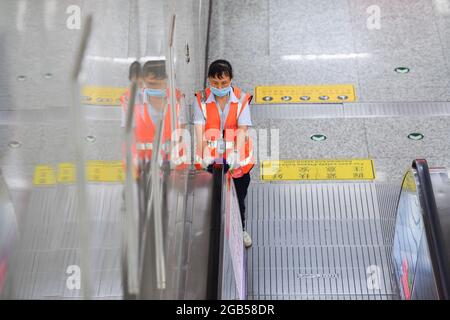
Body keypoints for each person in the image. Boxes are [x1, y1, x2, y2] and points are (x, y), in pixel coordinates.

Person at [193, 59, 254, 248]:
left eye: (224, 83)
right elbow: (198, 129)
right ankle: (209, 229)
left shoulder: (241, 99)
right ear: (209, 80)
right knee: (211, 195)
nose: (219, 87)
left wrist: (235, 153)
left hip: (237, 159)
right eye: (215, 83)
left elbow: (242, 129)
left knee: (238, 195)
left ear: (231, 80)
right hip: (211, 158)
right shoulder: (200, 99)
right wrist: (203, 153)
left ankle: (240, 229)